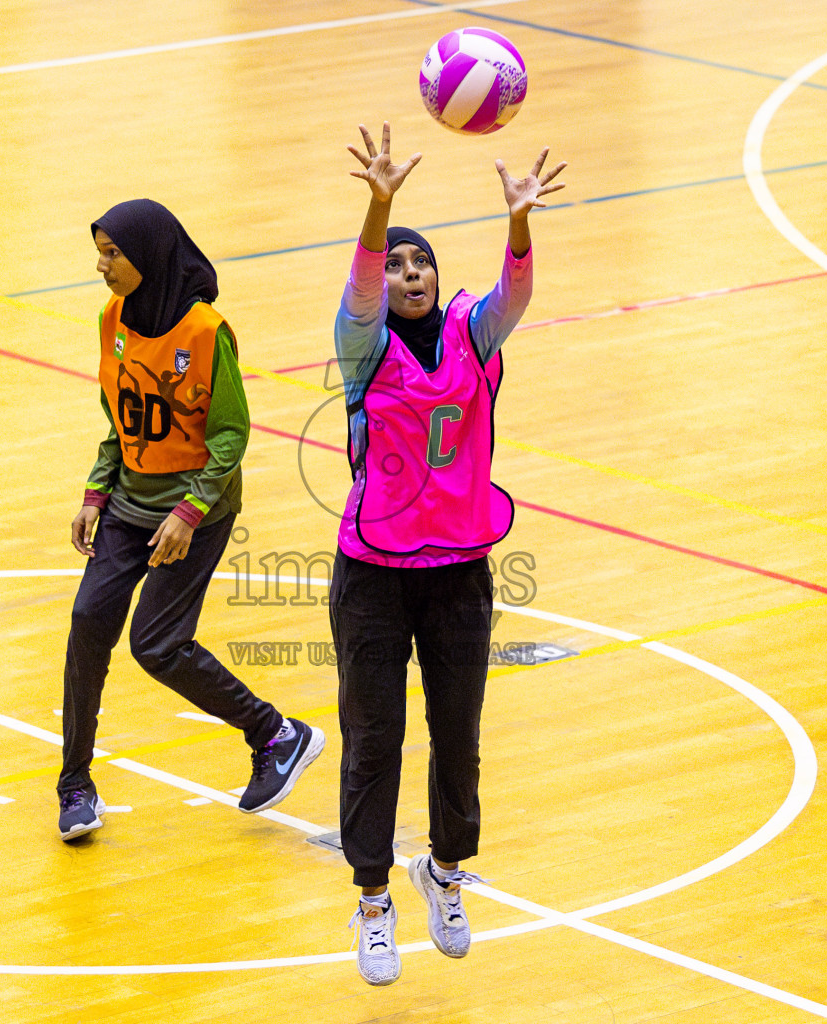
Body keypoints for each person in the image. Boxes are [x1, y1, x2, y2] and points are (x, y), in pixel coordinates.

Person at [329, 124, 565, 984]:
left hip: (458, 569)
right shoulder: (363, 347)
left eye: (420, 261)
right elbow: (355, 294)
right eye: (396, 264)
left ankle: (446, 875)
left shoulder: (473, 332)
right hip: (375, 578)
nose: (410, 274)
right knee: (373, 740)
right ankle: (372, 901)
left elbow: (515, 297)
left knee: (456, 736)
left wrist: (519, 226)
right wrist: (379, 206)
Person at [57, 199, 324, 840]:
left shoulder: (207, 332)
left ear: (148, 254)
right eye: (100, 251)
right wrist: (96, 492)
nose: (102, 265)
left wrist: (187, 510)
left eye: (113, 253)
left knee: (156, 644)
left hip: (194, 514)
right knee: (88, 621)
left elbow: (231, 435)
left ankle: (276, 733)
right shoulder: (113, 319)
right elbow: (117, 423)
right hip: (128, 505)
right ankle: (74, 787)